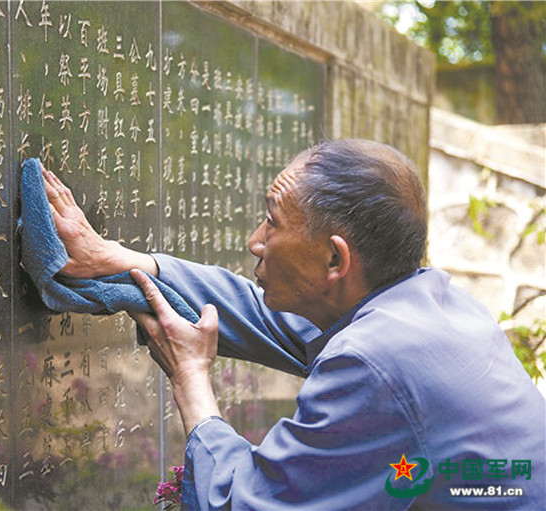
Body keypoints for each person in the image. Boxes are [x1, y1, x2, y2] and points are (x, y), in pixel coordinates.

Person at [42, 139, 545, 510]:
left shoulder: (374, 361)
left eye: (273, 221)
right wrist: (119, 260)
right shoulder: (429, 305)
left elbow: (249, 505)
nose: (255, 242)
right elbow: (263, 316)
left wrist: (191, 378)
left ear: (334, 259)